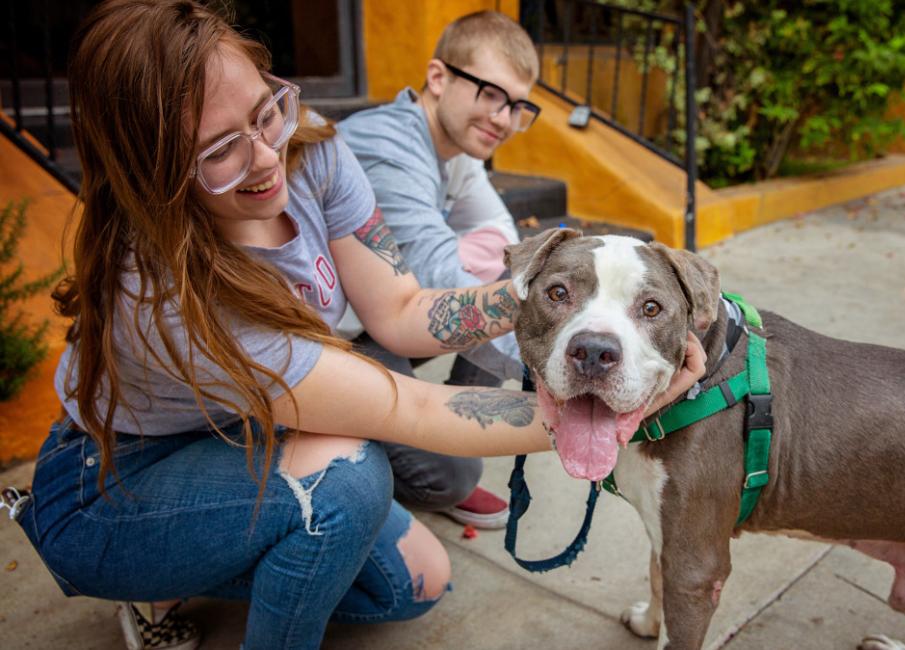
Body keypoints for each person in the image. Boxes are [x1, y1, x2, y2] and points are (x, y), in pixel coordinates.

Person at [7, 2, 705, 650]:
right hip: (117, 476)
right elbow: (410, 405)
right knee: (349, 480)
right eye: (219, 149)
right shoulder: (164, 295)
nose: (264, 156)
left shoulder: (313, 154)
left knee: (418, 582)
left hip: (246, 431)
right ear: (150, 171)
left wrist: (547, 295)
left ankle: (199, 556)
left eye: (265, 111)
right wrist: (623, 401)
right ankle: (140, 570)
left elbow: (401, 311)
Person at [336, 10, 541, 530]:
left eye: (517, 106)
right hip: (320, 339)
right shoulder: (388, 148)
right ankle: (344, 463)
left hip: (378, 318)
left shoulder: (458, 150)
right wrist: (559, 364)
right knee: (449, 475)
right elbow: (440, 284)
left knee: (497, 265)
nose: (503, 118)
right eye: (491, 94)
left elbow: (513, 255)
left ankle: (410, 432)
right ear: (438, 78)